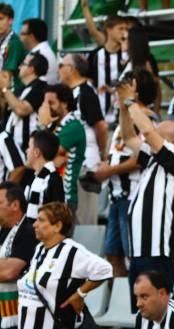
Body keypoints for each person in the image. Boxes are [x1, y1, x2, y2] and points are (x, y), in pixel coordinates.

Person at [116, 78, 174, 303]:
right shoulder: (152, 158)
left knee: (159, 309)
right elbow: (130, 136)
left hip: (159, 250)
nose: (151, 136)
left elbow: (148, 132)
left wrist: (132, 101)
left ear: (172, 142)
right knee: (142, 309)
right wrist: (123, 107)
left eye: (160, 134)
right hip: (140, 249)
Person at [16, 202, 112, 329]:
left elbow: (105, 269)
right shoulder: (40, 249)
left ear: (57, 226)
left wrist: (80, 293)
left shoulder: (72, 251)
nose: (34, 224)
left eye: (41, 220)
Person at [95, 69, 158, 278]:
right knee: (113, 254)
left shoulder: (147, 121)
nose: (115, 94)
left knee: (134, 254)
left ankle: (137, 302)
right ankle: (124, 302)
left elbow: (143, 158)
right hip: (117, 196)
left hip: (134, 196)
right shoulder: (125, 118)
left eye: (121, 90)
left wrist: (109, 170)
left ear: (135, 93)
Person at [59, 53, 108, 225]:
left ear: (71, 69)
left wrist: (103, 154)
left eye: (61, 66)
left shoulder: (86, 92)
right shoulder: (71, 94)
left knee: (84, 223)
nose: (58, 70)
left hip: (85, 166)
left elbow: (101, 126)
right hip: (73, 166)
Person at [37, 85, 85, 217]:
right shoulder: (54, 126)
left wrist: (43, 126)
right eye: (44, 103)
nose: (46, 108)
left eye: (51, 103)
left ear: (64, 103)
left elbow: (44, 152)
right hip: (48, 193)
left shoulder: (73, 126)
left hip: (64, 198)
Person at [0, 183, 37, 329]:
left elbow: (9, 272)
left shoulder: (28, 232)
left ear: (14, 205)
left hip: (14, 317)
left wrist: (6, 265)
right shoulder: (3, 231)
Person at [82, 2, 128, 126]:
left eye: (126, 29)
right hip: (99, 116)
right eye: (121, 29)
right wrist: (85, 8)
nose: (124, 33)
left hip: (121, 116)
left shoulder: (128, 55)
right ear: (109, 30)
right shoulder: (96, 55)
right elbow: (93, 31)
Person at [0, 53, 47, 154]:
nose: (19, 66)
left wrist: (5, 88)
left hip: (26, 148)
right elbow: (5, 110)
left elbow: (22, 110)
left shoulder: (40, 87)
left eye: (23, 64)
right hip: (9, 145)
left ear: (31, 69)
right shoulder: (20, 89)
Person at [22, 130, 64, 222]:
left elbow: (56, 218)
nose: (26, 151)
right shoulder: (34, 178)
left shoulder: (52, 180)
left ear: (36, 152)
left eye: (29, 147)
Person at [19, 18, 58, 85]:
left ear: (31, 36)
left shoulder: (41, 54)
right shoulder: (42, 51)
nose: (19, 37)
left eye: (22, 34)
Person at [0, 4, 26, 86]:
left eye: (0, 19)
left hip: (14, 94)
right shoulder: (3, 41)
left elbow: (6, 77)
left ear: (10, 20)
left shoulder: (14, 43)